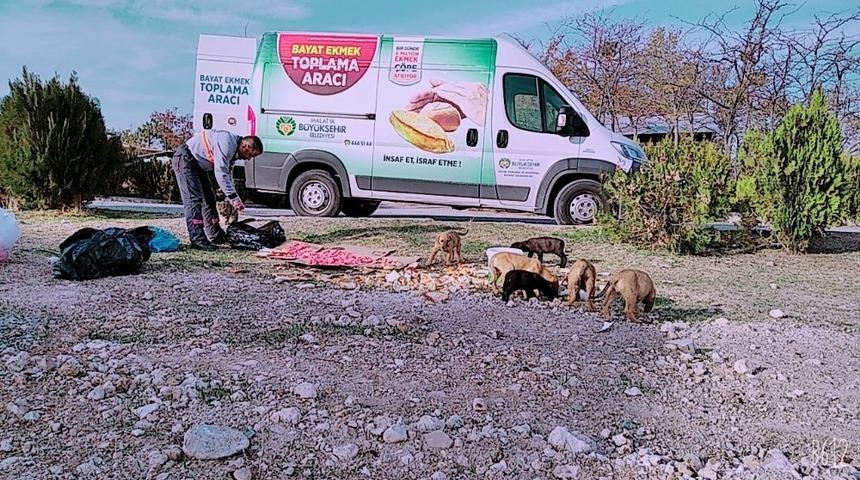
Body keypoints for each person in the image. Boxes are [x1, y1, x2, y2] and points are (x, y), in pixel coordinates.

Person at [171, 129, 263, 250]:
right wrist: (234, 199)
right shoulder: (227, 144)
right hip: (185, 160)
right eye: (251, 155)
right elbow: (221, 173)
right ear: (245, 146)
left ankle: (215, 235)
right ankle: (197, 239)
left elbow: (228, 176)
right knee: (194, 200)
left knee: (208, 199)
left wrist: (232, 197)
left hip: (198, 166)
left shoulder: (233, 152)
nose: (249, 158)